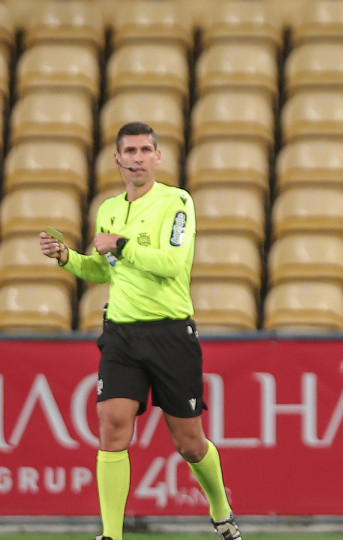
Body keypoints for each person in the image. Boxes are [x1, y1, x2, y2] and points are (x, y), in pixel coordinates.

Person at [37, 122, 242, 540]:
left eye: (145, 149)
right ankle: (111, 535)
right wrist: (66, 258)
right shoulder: (108, 208)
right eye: (129, 151)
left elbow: (170, 262)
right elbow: (101, 270)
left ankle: (221, 509)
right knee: (111, 424)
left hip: (170, 332)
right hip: (122, 333)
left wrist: (123, 245)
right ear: (117, 159)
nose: (137, 157)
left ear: (158, 157)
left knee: (189, 443)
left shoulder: (177, 202)